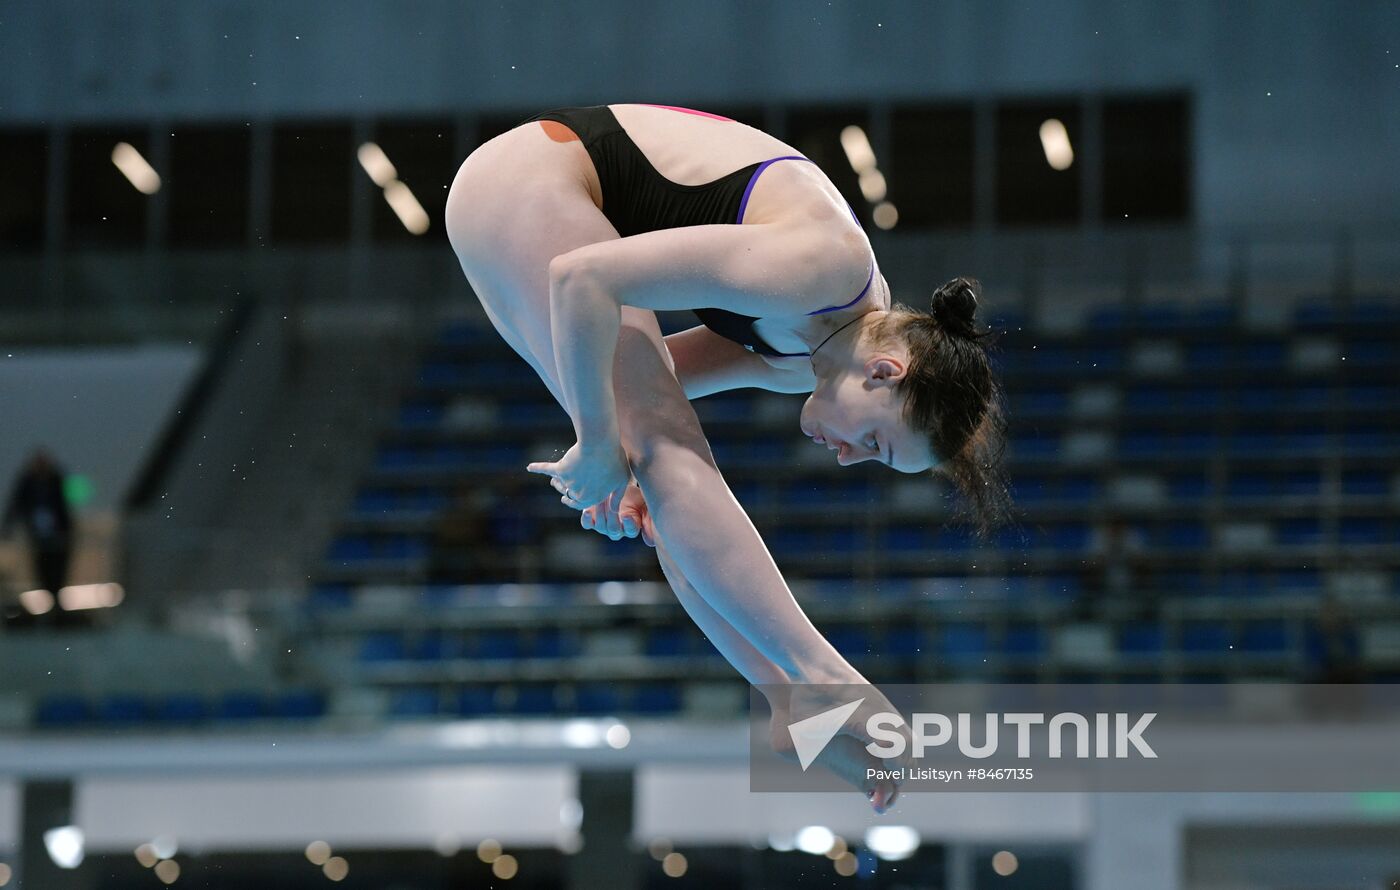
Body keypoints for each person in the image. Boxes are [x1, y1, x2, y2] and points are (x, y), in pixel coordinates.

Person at [445, 103, 1009, 812]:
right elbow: (581, 280)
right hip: (533, 176)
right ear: (886, 371)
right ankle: (822, 674)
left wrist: (622, 457)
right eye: (875, 443)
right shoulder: (825, 267)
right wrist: (598, 441)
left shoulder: (793, 362)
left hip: (517, 211)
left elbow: (650, 395)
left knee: (662, 464)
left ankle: (782, 694)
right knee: (661, 445)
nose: (847, 459)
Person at [2, 447, 79, 628]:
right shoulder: (27, 483)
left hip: (58, 537)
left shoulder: (56, 481)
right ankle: (51, 609)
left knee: (57, 572)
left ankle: (56, 608)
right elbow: (16, 505)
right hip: (39, 538)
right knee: (42, 570)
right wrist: (8, 527)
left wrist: (67, 532)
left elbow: (65, 509)